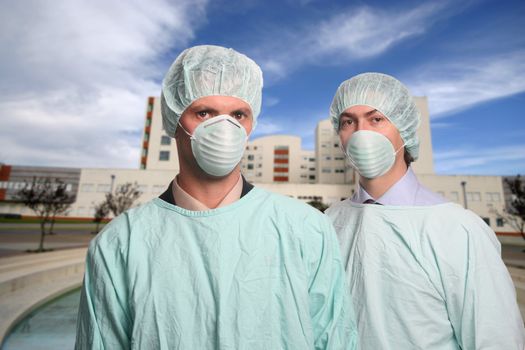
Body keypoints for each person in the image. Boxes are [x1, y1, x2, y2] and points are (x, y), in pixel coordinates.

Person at [75, 45, 358, 349]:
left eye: (238, 114)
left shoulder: (307, 228)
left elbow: (335, 339)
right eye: (204, 112)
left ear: (251, 124)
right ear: (175, 120)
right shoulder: (120, 243)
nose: (224, 128)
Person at [325, 72, 525, 349]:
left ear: (404, 129)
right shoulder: (330, 221)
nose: (361, 133)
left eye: (376, 119)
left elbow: (495, 339)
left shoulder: (458, 228)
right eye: (348, 121)